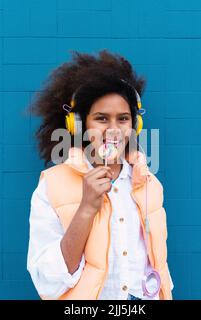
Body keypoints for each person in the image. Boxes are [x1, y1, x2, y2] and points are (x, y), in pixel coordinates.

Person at [26, 50, 174, 300]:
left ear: (134, 126)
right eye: (102, 119)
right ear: (80, 125)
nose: (114, 130)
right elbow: (47, 284)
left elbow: (158, 267)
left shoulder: (150, 185)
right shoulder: (51, 185)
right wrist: (86, 208)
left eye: (123, 119)